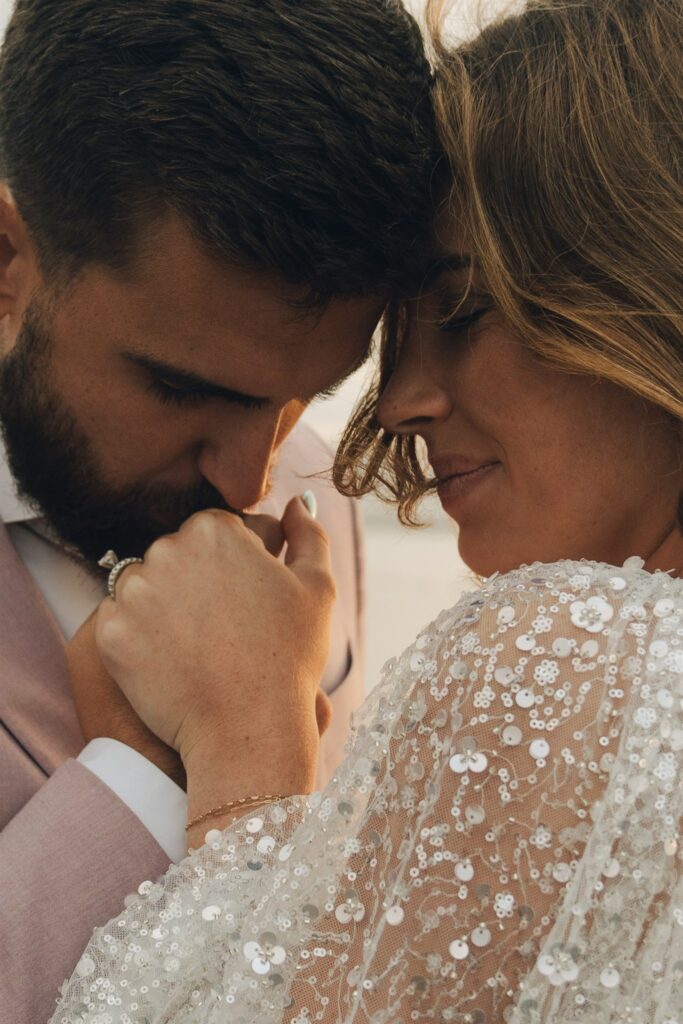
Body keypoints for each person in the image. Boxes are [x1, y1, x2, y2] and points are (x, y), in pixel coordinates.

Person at [52, 0, 683, 1021]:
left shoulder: (560, 654)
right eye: (398, 333)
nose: (397, 401)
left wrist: (245, 747)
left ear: (644, 279)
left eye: (465, 306)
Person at [0, 1, 437, 1020]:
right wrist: (166, 768)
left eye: (303, 395)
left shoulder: (308, 480)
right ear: (10, 261)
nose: (252, 477)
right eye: (186, 390)